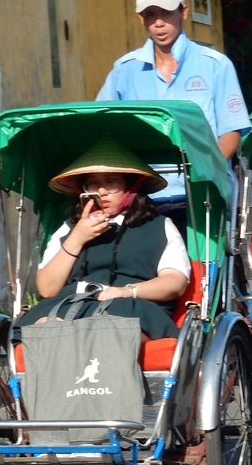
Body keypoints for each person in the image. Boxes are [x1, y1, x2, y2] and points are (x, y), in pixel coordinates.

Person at [15, 135, 191, 342]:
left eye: (111, 182)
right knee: (46, 329)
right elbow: (47, 288)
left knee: (109, 332)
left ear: (132, 186)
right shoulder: (68, 229)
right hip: (70, 305)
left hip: (131, 308)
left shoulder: (159, 226)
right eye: (92, 184)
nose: (101, 191)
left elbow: (174, 283)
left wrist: (128, 291)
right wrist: (77, 238)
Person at [97, 0, 249, 160]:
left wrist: (209, 171)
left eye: (166, 13)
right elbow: (102, 125)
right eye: (150, 14)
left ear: (183, 12)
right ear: (141, 19)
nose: (159, 23)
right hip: (144, 185)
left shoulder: (216, 65)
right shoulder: (124, 70)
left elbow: (231, 129)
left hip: (205, 183)